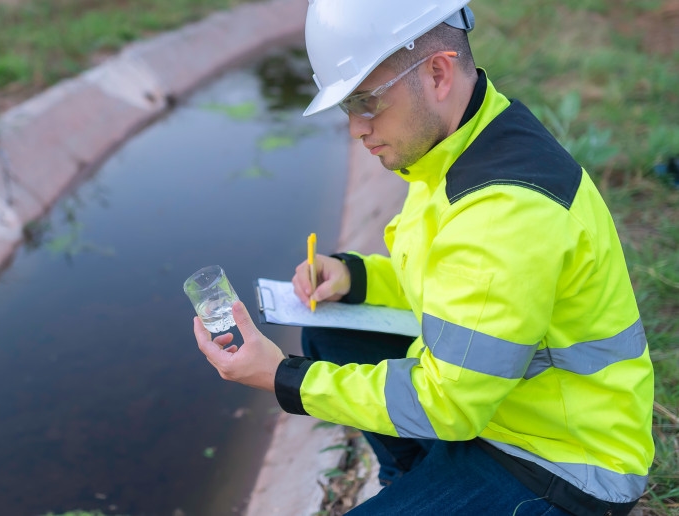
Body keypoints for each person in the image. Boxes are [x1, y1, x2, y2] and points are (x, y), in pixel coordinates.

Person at [193, 0, 655, 514]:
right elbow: (457, 283)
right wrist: (356, 278)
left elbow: (448, 402)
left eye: (366, 101)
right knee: (330, 331)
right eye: (348, 107)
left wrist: (283, 377)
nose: (356, 129)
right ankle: (418, 483)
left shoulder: (505, 210)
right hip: (500, 410)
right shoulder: (465, 142)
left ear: (437, 73)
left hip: (561, 465)